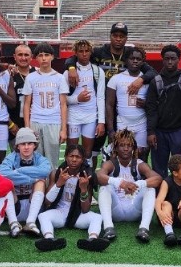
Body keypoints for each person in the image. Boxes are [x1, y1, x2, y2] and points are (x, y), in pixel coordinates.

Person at [65, 22, 155, 168]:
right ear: (110, 36)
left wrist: (141, 79)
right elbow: (76, 57)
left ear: (126, 38)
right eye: (115, 35)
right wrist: (71, 68)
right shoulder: (100, 52)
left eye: (122, 36)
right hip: (99, 106)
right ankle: (92, 177)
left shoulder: (130, 54)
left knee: (119, 146)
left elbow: (152, 72)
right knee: (94, 147)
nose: (118, 39)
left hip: (121, 107)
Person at [34, 144, 110, 252]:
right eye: (71, 156)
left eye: (78, 157)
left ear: (83, 159)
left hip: (77, 214)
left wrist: (83, 189)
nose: (74, 160)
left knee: (97, 217)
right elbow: (47, 201)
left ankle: (92, 240)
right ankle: (49, 239)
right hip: (59, 212)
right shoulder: (56, 173)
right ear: (65, 156)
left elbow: (85, 209)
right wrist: (59, 184)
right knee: (42, 216)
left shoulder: (87, 175)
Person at [96, 129, 162, 243]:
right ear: (115, 148)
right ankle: (108, 228)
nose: (126, 148)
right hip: (116, 210)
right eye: (122, 145)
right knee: (104, 187)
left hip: (134, 208)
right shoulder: (111, 163)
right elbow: (99, 176)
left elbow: (158, 179)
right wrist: (119, 183)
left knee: (149, 188)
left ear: (133, 148)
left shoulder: (139, 164)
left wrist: (138, 184)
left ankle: (144, 228)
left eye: (129, 145)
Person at [145, 45, 181, 178]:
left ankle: (180, 196)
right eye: (167, 59)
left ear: (179, 59)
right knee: (159, 169)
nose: (170, 62)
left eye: (173, 59)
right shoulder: (156, 81)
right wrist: (151, 131)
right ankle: (160, 196)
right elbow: (151, 108)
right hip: (160, 132)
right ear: (162, 60)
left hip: (180, 131)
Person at [0, 127, 51, 239]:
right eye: (23, 144)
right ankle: (13, 224)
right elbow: (1, 172)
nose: (26, 147)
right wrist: (31, 179)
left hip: (34, 207)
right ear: (17, 146)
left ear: (35, 145)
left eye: (29, 143)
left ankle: (30, 222)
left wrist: (18, 171)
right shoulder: (11, 158)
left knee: (40, 183)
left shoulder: (41, 159)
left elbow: (45, 171)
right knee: (6, 182)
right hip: (14, 206)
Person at [22, 43, 69, 171]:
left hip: (53, 122)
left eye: (46, 55)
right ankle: (38, 190)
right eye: (40, 55)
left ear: (52, 57)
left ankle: (50, 189)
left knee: (52, 162)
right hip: (36, 122)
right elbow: (27, 104)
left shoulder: (59, 78)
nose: (44, 58)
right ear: (35, 58)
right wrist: (27, 127)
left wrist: (63, 129)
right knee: (36, 159)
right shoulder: (31, 77)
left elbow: (63, 105)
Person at [105, 47, 151, 160]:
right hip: (123, 123)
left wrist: (146, 104)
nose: (135, 61)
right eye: (132, 58)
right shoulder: (116, 79)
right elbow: (109, 105)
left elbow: (154, 103)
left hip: (142, 124)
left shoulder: (149, 80)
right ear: (126, 60)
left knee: (141, 156)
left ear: (143, 61)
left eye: (138, 59)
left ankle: (139, 178)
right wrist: (110, 130)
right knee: (121, 155)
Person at [64, 39, 106, 163]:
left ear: (91, 52)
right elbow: (62, 99)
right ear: (75, 53)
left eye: (87, 51)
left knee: (88, 153)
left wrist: (101, 122)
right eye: (81, 51)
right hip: (73, 117)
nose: (84, 54)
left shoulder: (98, 71)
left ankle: (86, 180)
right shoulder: (68, 73)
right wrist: (77, 99)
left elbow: (100, 97)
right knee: (72, 152)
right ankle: (70, 179)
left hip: (90, 117)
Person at [155, 154, 181, 248]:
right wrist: (160, 213)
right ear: (175, 173)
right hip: (168, 217)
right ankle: (169, 234)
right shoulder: (167, 182)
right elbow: (158, 200)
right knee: (165, 203)